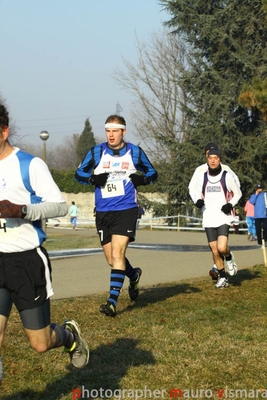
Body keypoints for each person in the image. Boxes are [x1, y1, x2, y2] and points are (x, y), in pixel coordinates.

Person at [0, 103, 89, 383]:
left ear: (4, 131)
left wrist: (22, 210)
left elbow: (59, 206)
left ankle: (69, 336)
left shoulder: (29, 164)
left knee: (39, 342)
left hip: (26, 261)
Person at [75, 114, 158, 316]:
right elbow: (78, 174)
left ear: (123, 132)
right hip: (103, 211)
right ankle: (134, 275)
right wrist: (93, 179)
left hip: (127, 208)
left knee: (118, 254)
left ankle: (112, 302)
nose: (111, 135)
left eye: (115, 131)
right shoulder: (96, 152)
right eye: (108, 131)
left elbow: (153, 173)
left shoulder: (135, 153)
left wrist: (143, 180)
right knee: (112, 260)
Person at [189, 148, 242, 289]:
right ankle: (223, 277)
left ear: (220, 159)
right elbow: (194, 190)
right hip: (208, 218)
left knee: (221, 247)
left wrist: (230, 204)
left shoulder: (226, 176)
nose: (213, 160)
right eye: (210, 158)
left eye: (216, 158)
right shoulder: (202, 176)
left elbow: (238, 193)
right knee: (214, 250)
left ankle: (229, 257)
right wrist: (197, 200)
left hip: (223, 217)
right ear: (207, 159)